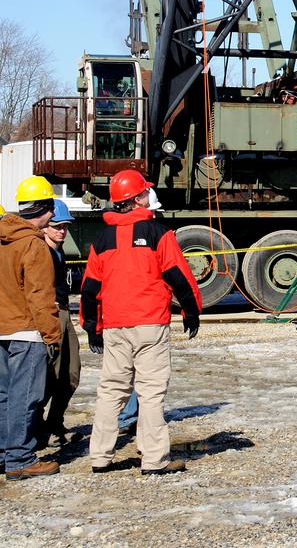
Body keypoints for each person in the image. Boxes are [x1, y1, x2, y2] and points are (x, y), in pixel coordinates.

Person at [81, 169, 201, 475]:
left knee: (111, 391)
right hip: (149, 324)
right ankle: (153, 460)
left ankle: (100, 457)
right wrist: (191, 310)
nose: (149, 195)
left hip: (115, 325)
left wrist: (92, 325)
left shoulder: (102, 239)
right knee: (150, 393)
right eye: (145, 191)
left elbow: (90, 287)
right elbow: (179, 277)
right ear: (136, 199)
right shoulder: (159, 234)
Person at [0, 176, 62, 479]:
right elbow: (41, 296)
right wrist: (52, 336)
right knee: (25, 396)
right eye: (51, 210)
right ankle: (20, 459)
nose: (53, 217)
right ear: (44, 208)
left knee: (4, 395)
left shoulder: (3, 239)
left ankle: (4, 453)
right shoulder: (33, 246)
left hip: (2, 328)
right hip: (27, 332)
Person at [37, 200, 81, 448]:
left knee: (71, 372)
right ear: (45, 226)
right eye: (57, 226)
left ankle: (54, 421)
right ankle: (38, 427)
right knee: (48, 376)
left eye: (65, 226)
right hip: (50, 314)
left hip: (63, 312)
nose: (62, 231)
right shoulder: (40, 251)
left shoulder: (58, 251)